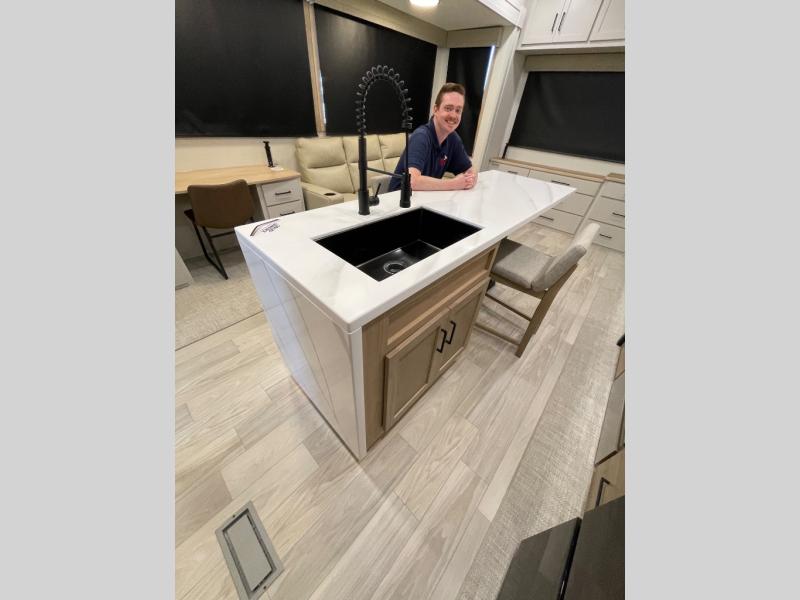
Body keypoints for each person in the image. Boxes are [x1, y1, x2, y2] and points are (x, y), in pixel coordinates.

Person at [388, 82, 478, 192]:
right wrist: (454, 183)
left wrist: (470, 179)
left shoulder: (453, 139)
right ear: (435, 109)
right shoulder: (421, 137)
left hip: (426, 198)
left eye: (458, 110)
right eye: (448, 108)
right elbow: (412, 181)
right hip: (399, 200)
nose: (453, 115)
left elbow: (470, 171)